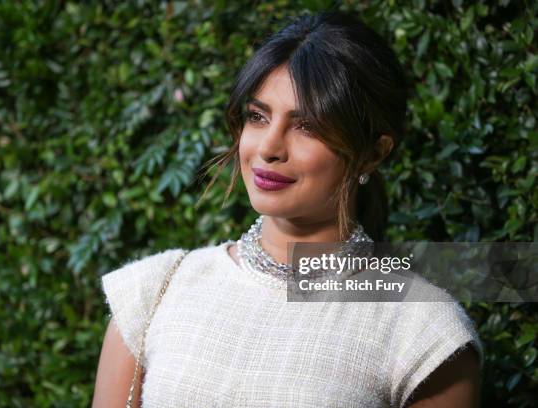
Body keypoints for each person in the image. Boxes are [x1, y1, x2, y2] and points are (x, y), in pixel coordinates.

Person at [93, 10, 482, 408]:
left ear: (372, 154)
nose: (268, 148)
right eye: (258, 117)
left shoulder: (424, 333)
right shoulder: (155, 291)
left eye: (307, 126)